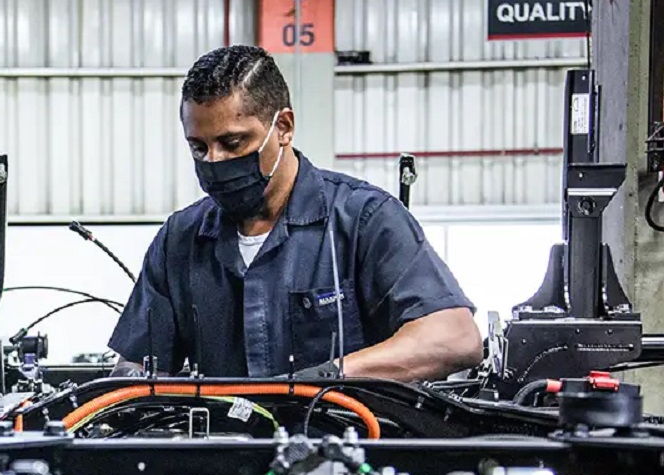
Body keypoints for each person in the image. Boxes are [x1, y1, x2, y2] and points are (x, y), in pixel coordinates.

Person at [108, 45, 482, 381]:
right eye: (199, 148)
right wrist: (128, 386)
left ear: (283, 127)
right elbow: (138, 365)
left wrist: (325, 379)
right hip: (225, 453)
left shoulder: (366, 220)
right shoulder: (181, 239)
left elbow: (453, 337)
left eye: (232, 142)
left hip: (344, 449)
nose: (214, 161)